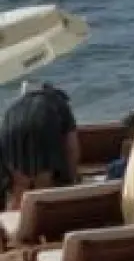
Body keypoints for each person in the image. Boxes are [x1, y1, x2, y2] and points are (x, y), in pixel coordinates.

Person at [0, 82, 78, 210]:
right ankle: (46, 218)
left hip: (8, 132)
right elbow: (72, 147)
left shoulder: (14, 106)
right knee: (43, 184)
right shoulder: (57, 102)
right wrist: (73, 180)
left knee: (19, 187)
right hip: (41, 125)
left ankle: (11, 218)